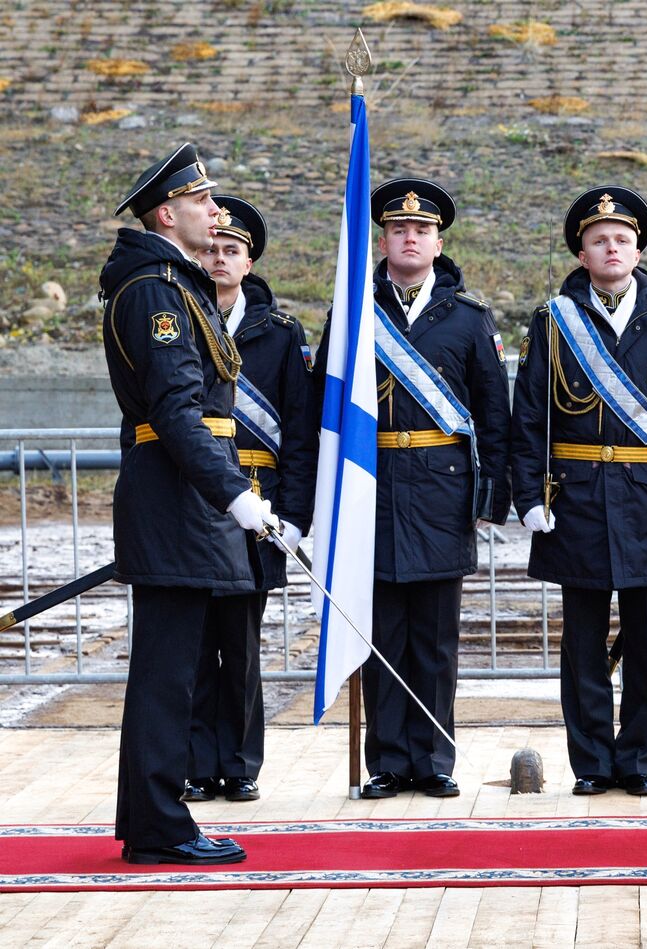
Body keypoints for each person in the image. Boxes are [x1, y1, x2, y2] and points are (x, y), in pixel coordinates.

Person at [510, 186, 647, 797]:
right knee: (581, 645)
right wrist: (529, 499)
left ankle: (641, 762)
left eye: (621, 240)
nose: (611, 248)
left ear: (637, 249)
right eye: (598, 240)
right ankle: (593, 764)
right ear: (581, 252)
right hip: (575, 499)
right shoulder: (553, 322)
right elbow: (529, 419)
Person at [103, 142, 279, 865]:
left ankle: (154, 820)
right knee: (168, 673)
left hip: (183, 499)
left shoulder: (176, 282)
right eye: (203, 201)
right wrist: (234, 491)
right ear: (166, 212)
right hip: (176, 501)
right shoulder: (155, 289)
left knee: (171, 670)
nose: (215, 211)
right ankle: (161, 826)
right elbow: (177, 412)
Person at [324, 177, 512, 799]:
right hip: (369, 491)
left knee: (434, 640)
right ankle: (388, 762)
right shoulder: (352, 311)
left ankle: (433, 759)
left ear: (438, 242)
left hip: (440, 493)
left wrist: (491, 498)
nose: (410, 237)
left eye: (422, 230)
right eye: (399, 229)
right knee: (381, 637)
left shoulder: (467, 319)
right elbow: (323, 411)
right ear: (382, 239)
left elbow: (494, 413)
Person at [181, 196, 317, 804]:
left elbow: (300, 428)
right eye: (211, 249)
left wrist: (295, 514)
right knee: (192, 642)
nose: (218, 258)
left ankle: (238, 765)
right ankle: (193, 764)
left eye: (231, 251)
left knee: (238, 646)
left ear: (249, 261)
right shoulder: (179, 316)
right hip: (195, 501)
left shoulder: (281, 334)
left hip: (259, 508)